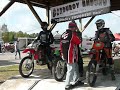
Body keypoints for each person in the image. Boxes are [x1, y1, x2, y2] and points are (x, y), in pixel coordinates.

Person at [60, 22, 84, 90]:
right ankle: (67, 85)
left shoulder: (63, 34)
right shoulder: (72, 34)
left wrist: (62, 53)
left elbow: (61, 45)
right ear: (73, 28)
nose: (76, 29)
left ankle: (76, 80)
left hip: (65, 54)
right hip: (71, 54)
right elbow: (79, 41)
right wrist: (79, 34)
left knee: (76, 67)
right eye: (75, 27)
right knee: (70, 70)